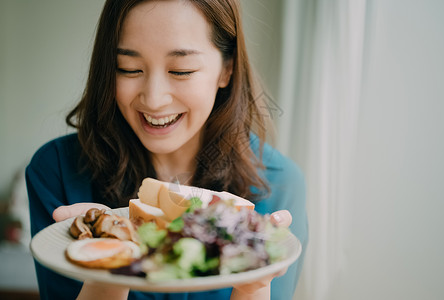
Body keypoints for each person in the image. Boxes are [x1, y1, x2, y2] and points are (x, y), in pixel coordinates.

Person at [25, 0, 308, 299]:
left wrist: (255, 286)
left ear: (226, 70)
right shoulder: (55, 170)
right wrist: (106, 269)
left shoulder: (279, 183)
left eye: (181, 70)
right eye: (129, 68)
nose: (155, 99)